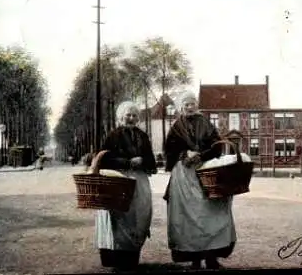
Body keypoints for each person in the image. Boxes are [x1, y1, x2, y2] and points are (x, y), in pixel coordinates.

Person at [163, 91, 236, 270]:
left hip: (206, 171)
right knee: (188, 218)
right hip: (184, 175)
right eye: (186, 104)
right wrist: (184, 154)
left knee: (211, 213)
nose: (190, 107)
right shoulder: (175, 127)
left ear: (197, 105)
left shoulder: (206, 123)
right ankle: (194, 258)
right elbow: (169, 150)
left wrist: (202, 155)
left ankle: (211, 257)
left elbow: (217, 146)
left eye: (192, 104)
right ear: (181, 108)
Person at [93, 101, 157, 270]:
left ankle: (132, 254)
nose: (131, 118)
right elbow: (104, 158)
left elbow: (151, 160)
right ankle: (116, 257)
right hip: (118, 180)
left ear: (138, 118)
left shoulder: (143, 136)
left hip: (139, 181)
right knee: (119, 217)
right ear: (121, 117)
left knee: (140, 215)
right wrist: (127, 162)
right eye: (127, 115)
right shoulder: (113, 135)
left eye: (134, 115)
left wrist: (143, 161)